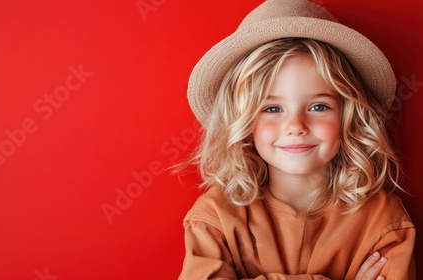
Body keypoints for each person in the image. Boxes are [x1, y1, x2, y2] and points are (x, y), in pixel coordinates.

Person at [178, 0, 416, 279]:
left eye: (318, 107)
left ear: (347, 116)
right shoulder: (214, 216)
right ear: (244, 121)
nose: (295, 126)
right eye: (272, 109)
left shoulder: (384, 220)